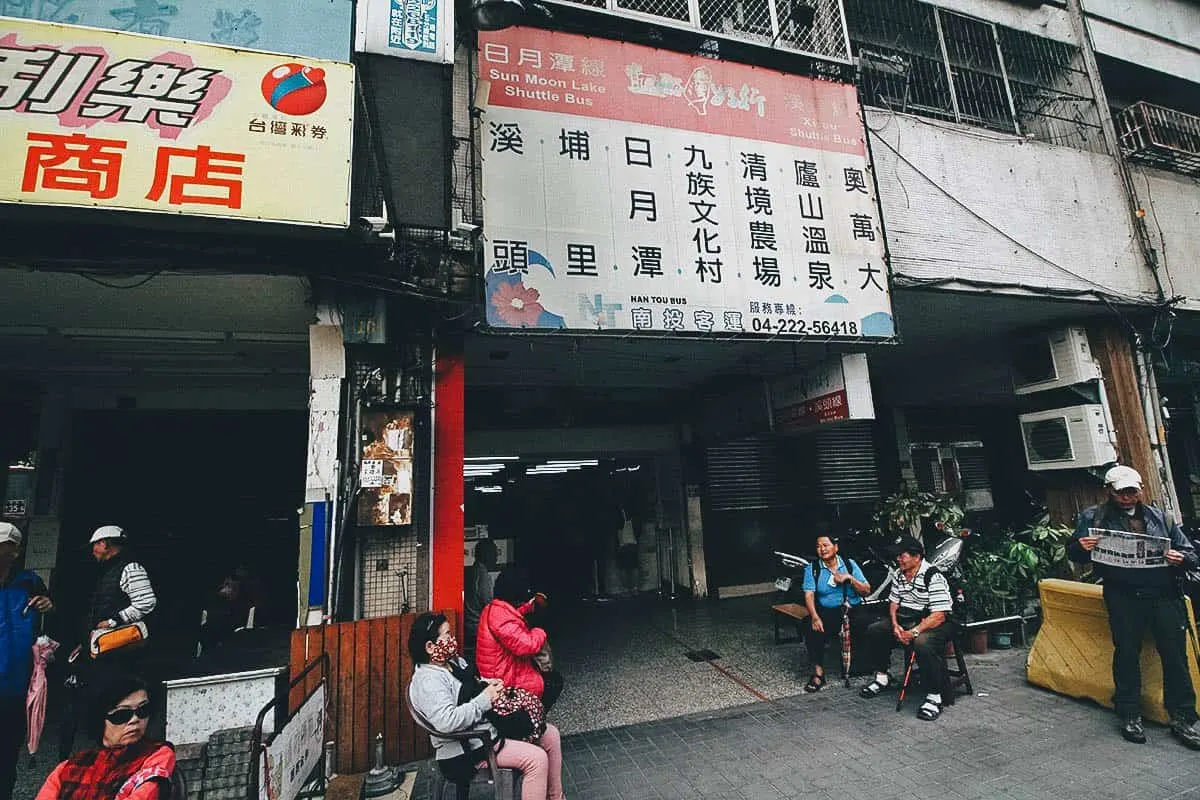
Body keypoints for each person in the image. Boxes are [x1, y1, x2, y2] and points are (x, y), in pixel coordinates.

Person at [1069, 465, 1200, 748]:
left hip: (1164, 594)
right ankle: (1130, 713)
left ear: (1140, 490)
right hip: (1123, 595)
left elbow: (1189, 552)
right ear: (1109, 491)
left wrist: (1181, 558)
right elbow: (1075, 551)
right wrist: (1082, 546)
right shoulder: (1093, 516)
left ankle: (1184, 717)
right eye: (1122, 493)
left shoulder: (1160, 517)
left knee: (1175, 656)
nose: (1128, 498)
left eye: (1132, 492)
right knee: (1127, 653)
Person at [407, 612, 565, 800]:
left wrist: (488, 684)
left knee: (551, 735)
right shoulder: (428, 681)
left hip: (491, 729)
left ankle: (556, 797)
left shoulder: (452, 663)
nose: (452, 639)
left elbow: (473, 685)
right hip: (473, 747)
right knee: (536, 760)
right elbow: (447, 722)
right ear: (430, 647)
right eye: (447, 635)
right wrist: (485, 699)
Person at [60, 526, 158, 760]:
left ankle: (123, 756)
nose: (93, 550)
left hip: (122, 654)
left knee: (120, 702)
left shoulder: (130, 567)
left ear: (107, 544)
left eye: (96, 544)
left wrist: (116, 620)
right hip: (105, 653)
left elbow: (147, 601)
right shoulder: (109, 570)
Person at [858, 536, 956, 721]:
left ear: (917, 556)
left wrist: (913, 633)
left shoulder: (933, 576)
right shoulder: (899, 574)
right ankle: (882, 677)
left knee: (923, 643)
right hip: (906, 617)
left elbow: (939, 615)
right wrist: (895, 625)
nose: (898, 559)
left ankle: (934, 696)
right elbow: (894, 602)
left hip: (933, 621)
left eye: (902, 556)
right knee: (875, 630)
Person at [37, 674, 175, 800]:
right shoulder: (68, 767)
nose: (135, 719)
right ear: (99, 721)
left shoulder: (158, 755)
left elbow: (144, 796)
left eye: (143, 710)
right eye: (122, 715)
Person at [0, 522, 53, 800]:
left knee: (7, 753)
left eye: (4, 548)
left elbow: (51, 619)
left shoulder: (29, 582)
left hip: (17, 686)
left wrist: (48, 605)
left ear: (15, 551)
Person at [800, 534, 871, 692]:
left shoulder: (849, 564)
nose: (822, 549)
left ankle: (862, 665)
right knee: (812, 628)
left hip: (852, 609)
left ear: (836, 547)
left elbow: (866, 590)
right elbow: (809, 594)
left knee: (870, 625)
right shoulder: (813, 568)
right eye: (819, 546)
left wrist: (850, 578)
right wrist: (814, 616)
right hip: (829, 610)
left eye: (825, 545)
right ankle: (818, 673)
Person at [476, 567, 549, 700]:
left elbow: (510, 622)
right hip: (503, 684)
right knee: (552, 682)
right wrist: (540, 628)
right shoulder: (500, 618)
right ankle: (531, 717)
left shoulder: (494, 609)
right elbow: (528, 646)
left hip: (500, 673)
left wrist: (526, 608)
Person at [464, 539, 499, 656]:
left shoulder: (472, 571)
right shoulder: (483, 575)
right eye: (494, 553)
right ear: (487, 555)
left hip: (470, 624)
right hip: (478, 625)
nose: (496, 558)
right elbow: (488, 603)